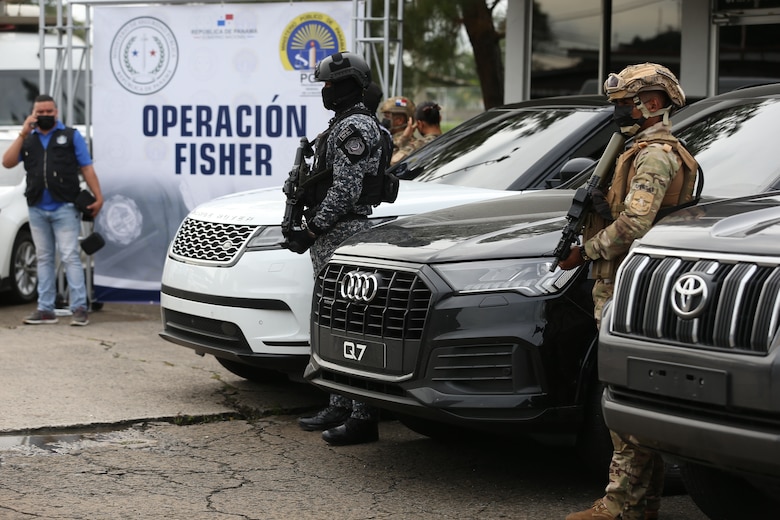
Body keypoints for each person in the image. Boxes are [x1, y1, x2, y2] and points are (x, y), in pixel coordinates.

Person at [558, 63, 699, 520]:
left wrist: (588, 250)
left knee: (623, 398)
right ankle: (637, 506)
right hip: (623, 282)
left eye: (625, 104)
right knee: (632, 397)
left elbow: (636, 224)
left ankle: (619, 505)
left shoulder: (655, 154)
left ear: (652, 103)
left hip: (628, 284)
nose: (618, 112)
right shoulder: (637, 148)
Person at [289, 51, 392, 446]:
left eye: (332, 84)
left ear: (351, 85)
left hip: (342, 234)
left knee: (353, 323)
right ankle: (339, 402)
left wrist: (311, 230)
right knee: (333, 321)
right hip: (333, 235)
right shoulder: (341, 125)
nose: (326, 90)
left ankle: (363, 416)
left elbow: (346, 191)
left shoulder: (355, 129)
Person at [2, 94, 103, 326]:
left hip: (65, 207)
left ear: (56, 112)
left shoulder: (70, 136)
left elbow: (87, 168)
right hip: (37, 208)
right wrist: (23, 132)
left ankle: (79, 307)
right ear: (33, 114)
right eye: (41, 112)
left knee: (69, 256)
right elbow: (7, 162)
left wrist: (98, 196)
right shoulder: (28, 139)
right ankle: (45, 309)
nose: (45, 116)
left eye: (49, 112)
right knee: (44, 258)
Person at [378, 95, 416, 164]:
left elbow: (389, 164)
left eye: (387, 117)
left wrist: (404, 139)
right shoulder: (388, 139)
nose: (384, 120)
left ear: (399, 120)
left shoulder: (410, 145)